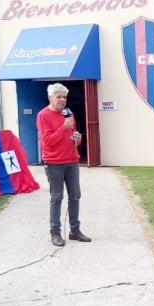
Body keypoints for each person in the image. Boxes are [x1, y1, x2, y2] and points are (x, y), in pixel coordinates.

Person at [36, 83, 91, 247]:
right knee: (57, 197)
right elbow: (47, 143)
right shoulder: (43, 115)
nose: (62, 100)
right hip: (54, 163)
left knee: (75, 196)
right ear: (50, 98)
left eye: (64, 97)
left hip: (72, 161)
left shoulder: (68, 113)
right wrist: (63, 127)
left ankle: (74, 230)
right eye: (58, 97)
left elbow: (69, 137)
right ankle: (55, 233)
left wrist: (77, 138)